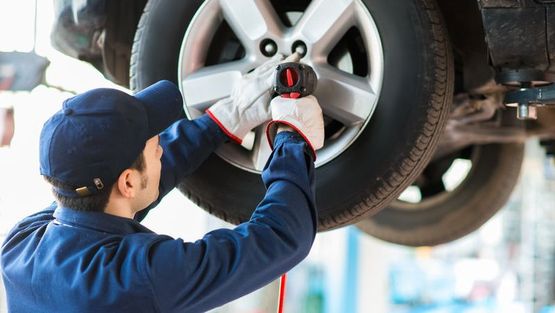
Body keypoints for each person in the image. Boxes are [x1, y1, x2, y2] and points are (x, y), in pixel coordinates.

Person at [0, 55, 324, 313]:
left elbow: (113, 200)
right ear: (127, 182)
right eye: (155, 145)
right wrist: (292, 140)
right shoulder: (136, 278)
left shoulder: (22, 245)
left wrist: (220, 121)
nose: (161, 148)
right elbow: (281, 238)